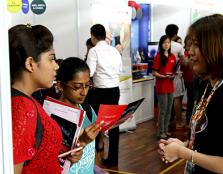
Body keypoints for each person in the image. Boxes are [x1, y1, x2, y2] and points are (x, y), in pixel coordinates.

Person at [9, 24, 80, 174]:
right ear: (30, 64)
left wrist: (64, 154)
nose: (56, 66)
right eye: (51, 59)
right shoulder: (22, 107)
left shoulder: (28, 101)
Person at [158, 14, 223, 174]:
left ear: (214, 47)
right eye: (189, 44)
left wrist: (182, 153)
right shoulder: (210, 85)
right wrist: (185, 145)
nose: (190, 52)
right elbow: (209, 143)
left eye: (196, 45)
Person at [56, 57, 102, 174]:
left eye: (87, 85)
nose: (84, 92)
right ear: (60, 85)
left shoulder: (89, 111)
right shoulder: (52, 119)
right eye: (77, 86)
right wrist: (82, 141)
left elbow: (92, 151)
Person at [86, 24, 122, 167]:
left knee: (94, 123)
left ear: (93, 36)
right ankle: (113, 159)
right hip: (114, 90)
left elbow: (89, 73)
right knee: (113, 125)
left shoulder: (94, 51)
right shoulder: (114, 51)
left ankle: (93, 156)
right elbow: (119, 69)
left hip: (100, 91)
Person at [152, 35, 176, 139]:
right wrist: (163, 76)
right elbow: (154, 72)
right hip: (161, 86)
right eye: (164, 42)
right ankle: (161, 132)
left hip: (170, 86)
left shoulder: (173, 57)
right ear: (161, 44)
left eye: (168, 42)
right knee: (163, 110)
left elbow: (173, 70)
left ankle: (166, 130)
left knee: (169, 110)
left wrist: (173, 75)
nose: (166, 44)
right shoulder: (158, 56)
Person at [165, 24, 186, 128]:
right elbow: (184, 62)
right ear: (176, 33)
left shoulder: (162, 44)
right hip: (175, 77)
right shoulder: (178, 46)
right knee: (176, 99)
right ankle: (178, 122)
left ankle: (165, 122)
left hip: (162, 77)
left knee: (164, 99)